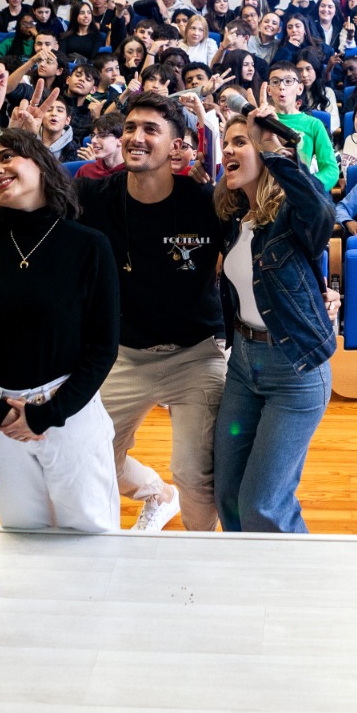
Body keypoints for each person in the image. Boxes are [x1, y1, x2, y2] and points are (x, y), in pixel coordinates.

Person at [0, 129, 121, 533]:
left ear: (41, 165)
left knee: (90, 535)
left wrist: (49, 414)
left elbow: (103, 346)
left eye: (7, 157)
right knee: (23, 536)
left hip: (69, 413)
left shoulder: (89, 245)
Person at [76, 92, 228, 533]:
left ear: (176, 145)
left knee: (196, 473)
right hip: (123, 354)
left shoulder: (205, 202)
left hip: (195, 355)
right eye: (129, 128)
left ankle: (200, 567)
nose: (135, 138)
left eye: (150, 130)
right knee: (93, 458)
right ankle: (158, 497)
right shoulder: (92, 196)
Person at [213, 104, 336, 533]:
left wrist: (277, 151)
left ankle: (290, 592)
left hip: (295, 368)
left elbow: (322, 215)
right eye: (225, 142)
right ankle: (248, 585)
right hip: (244, 366)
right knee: (227, 494)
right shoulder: (234, 218)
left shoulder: (289, 217)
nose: (228, 149)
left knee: (263, 503)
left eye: (240, 142)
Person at [266, 62, 339, 191]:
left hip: (300, 192)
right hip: (265, 191)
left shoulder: (314, 124)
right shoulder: (262, 120)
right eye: (275, 82)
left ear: (300, 88)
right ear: (269, 89)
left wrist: (307, 187)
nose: (281, 86)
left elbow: (331, 169)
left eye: (288, 81)